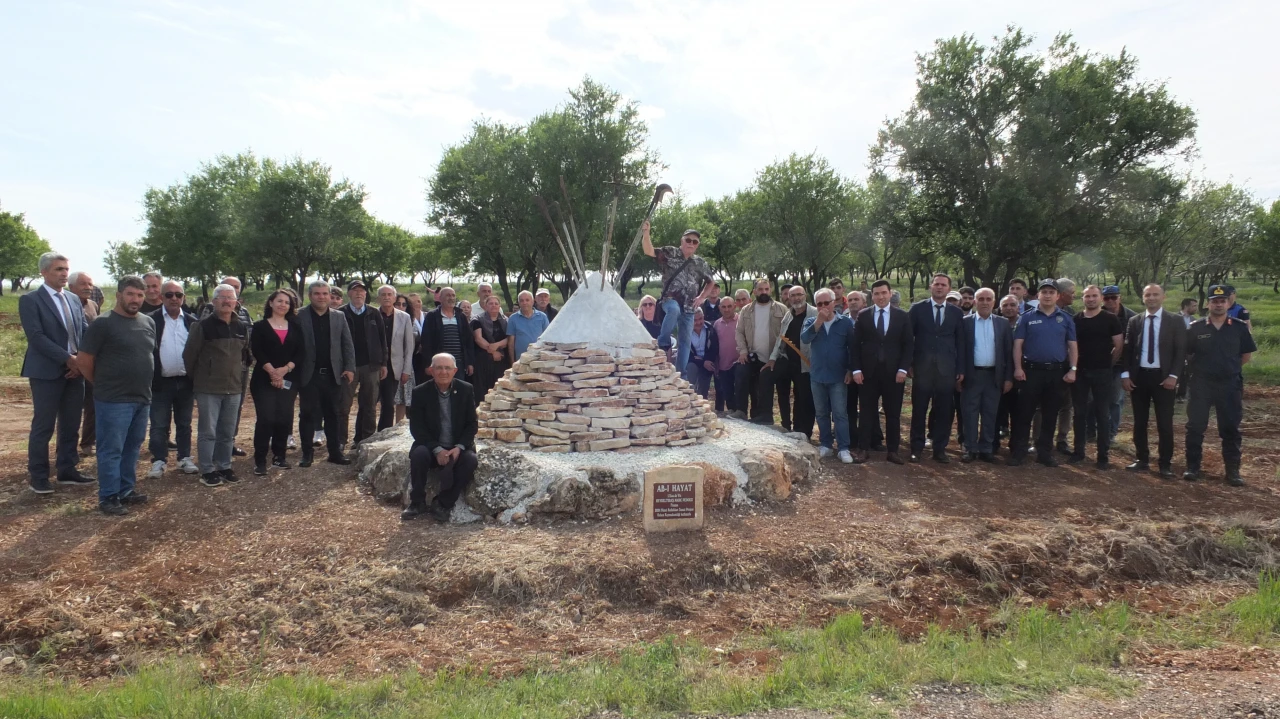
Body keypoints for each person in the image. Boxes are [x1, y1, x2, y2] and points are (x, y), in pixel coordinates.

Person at [78, 275, 155, 515]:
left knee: (133, 447)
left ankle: (125, 490)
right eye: (131, 294)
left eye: (140, 295)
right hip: (113, 400)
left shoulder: (148, 322)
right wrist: (100, 384)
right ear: (119, 295)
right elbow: (84, 360)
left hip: (142, 398)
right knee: (111, 449)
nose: (136, 299)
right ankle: (108, 496)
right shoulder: (103, 324)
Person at [19, 252, 92, 494]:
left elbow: (83, 330)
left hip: (75, 372)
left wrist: (79, 361)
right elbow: (37, 337)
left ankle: (67, 470)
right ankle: (39, 476)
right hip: (46, 372)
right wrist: (67, 359)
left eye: (65, 269)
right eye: (58, 269)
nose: (63, 273)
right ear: (44, 272)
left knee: (71, 423)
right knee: (44, 425)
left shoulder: (72, 299)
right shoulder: (31, 300)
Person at [1183, 285, 1255, 486]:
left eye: (1222, 301)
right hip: (1201, 385)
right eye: (1214, 301)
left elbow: (1246, 355)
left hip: (1229, 384)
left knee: (1230, 428)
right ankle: (1192, 468)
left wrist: (1227, 368)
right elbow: (1187, 354)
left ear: (1228, 303)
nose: (1218, 304)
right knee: (1195, 427)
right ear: (1208, 303)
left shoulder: (1239, 327)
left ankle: (1232, 472)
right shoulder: (1196, 327)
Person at [184, 283, 251, 487]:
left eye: (230, 298)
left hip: (233, 388)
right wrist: (201, 379)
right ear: (213, 302)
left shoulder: (241, 327)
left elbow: (246, 356)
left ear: (236, 302)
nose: (226, 301)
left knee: (227, 431)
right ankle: (207, 470)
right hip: (208, 388)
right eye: (221, 298)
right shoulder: (202, 326)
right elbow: (189, 356)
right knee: (208, 431)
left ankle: (224, 465)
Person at [401, 353, 478, 522]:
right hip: (431, 446)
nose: (443, 372)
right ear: (431, 370)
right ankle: (417, 502)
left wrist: (459, 447)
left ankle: (444, 503)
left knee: (471, 460)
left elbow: (472, 424)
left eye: (447, 368)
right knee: (419, 454)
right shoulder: (420, 392)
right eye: (439, 368)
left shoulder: (466, 389)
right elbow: (417, 427)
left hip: (457, 447)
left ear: (455, 371)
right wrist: (437, 449)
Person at [1008, 279, 1077, 467]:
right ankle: (1019, 452)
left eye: (1051, 292)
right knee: (1024, 413)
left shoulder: (1065, 318)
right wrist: (1018, 368)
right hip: (1031, 372)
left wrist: (1073, 369)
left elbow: (1072, 346)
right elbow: (1018, 345)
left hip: (1056, 373)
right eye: (1044, 292)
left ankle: (1044, 452)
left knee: (1050, 414)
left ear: (1057, 296)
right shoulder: (1027, 317)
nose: (1047, 295)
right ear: (1038, 295)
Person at [1121, 283, 1185, 479]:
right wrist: (1125, 375)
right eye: (1148, 295)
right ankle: (1142, 459)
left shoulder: (1175, 320)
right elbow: (1128, 350)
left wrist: (1173, 376)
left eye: (1155, 294)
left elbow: (1180, 351)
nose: (1151, 298)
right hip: (1139, 377)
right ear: (1143, 298)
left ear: (1163, 297)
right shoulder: (1135, 321)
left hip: (1163, 378)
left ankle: (1165, 464)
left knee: (1164, 423)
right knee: (1139, 422)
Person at [849, 279, 913, 464]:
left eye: (884, 293)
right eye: (876, 294)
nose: (880, 296)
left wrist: (903, 368)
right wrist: (856, 370)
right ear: (872, 296)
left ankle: (893, 451)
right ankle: (863, 449)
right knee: (867, 412)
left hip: (894, 374)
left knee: (893, 413)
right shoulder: (864, 315)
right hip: (868, 374)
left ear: (890, 293)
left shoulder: (902, 316)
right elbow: (855, 346)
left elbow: (908, 344)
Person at [641, 222, 716, 378]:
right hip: (669, 299)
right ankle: (663, 341)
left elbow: (711, 282)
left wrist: (702, 297)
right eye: (688, 240)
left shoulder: (700, 263)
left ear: (697, 245)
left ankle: (681, 374)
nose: (691, 243)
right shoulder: (670, 253)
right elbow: (649, 251)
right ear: (682, 241)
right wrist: (646, 233)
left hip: (689, 307)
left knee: (685, 341)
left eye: (694, 242)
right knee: (674, 310)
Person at [908, 273, 967, 463]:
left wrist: (960, 368)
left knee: (943, 411)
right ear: (930, 286)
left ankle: (939, 449)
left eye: (943, 285)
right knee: (919, 410)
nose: (940, 287)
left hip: (946, 370)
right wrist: (909, 364)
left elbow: (960, 343)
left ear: (949, 288)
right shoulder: (917, 309)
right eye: (936, 284)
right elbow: (908, 339)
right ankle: (916, 448)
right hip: (922, 369)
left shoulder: (956, 313)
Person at [297, 281, 356, 468]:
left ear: (330, 296)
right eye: (317, 294)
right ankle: (307, 453)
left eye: (325, 293)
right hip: (308, 374)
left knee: (333, 414)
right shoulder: (299, 316)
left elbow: (347, 344)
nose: (321, 297)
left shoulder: (339, 316)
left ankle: (334, 453)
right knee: (307, 414)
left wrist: (350, 367)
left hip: (333, 374)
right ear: (309, 295)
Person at [146, 280, 199, 479]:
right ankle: (159, 460)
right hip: (160, 382)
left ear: (183, 298)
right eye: (169, 295)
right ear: (161, 297)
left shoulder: (192, 322)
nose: (174, 298)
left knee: (184, 423)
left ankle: (184, 457)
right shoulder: (151, 320)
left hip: (186, 382)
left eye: (178, 295)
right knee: (159, 424)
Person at [248, 290, 305, 474]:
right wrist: (273, 372)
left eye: (287, 302)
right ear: (271, 303)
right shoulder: (259, 326)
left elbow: (300, 352)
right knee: (266, 419)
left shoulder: (296, 327)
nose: (283, 305)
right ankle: (260, 460)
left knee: (283, 418)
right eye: (279, 301)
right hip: (263, 379)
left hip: (289, 378)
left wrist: (285, 369)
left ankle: (280, 457)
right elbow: (257, 350)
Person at [1069, 285, 1124, 469]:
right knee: (1079, 413)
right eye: (1087, 296)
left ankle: (1103, 456)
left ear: (1101, 298)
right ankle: (1078, 452)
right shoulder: (1076, 319)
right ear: (1082, 298)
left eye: (1094, 296)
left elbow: (1118, 345)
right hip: (1080, 372)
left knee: (1103, 413)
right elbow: (1070, 345)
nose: (1091, 299)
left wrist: (1108, 364)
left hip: (1102, 373)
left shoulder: (1110, 319)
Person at [199, 275, 254, 457]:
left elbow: (248, 335)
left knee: (234, 409)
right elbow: (197, 346)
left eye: (236, 288)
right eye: (228, 288)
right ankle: (213, 450)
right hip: (215, 375)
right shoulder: (209, 310)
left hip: (239, 369)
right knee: (213, 416)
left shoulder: (244, 312)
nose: (232, 292)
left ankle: (229, 443)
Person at [959, 288, 1013, 463]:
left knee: (991, 414)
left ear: (994, 302)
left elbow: (1008, 352)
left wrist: (1008, 377)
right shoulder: (965, 323)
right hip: (972, 374)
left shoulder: (1002, 323)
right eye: (980, 299)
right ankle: (970, 448)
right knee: (970, 413)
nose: (984, 302)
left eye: (988, 299)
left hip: (994, 376)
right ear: (974, 302)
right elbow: (959, 351)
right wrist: (959, 374)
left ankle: (986, 448)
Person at [800, 289, 853, 462]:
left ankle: (843, 448)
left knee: (839, 413)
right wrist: (818, 322)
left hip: (838, 376)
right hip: (817, 375)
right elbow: (805, 339)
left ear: (834, 303)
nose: (823, 307)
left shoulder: (845, 323)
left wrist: (851, 369)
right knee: (821, 412)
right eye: (819, 304)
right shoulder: (811, 321)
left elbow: (853, 348)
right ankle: (826, 444)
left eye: (826, 303)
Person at [340, 280, 387, 448]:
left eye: (362, 291)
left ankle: (365, 440)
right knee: (343, 406)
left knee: (369, 405)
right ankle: (340, 441)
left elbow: (383, 340)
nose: (359, 293)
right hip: (348, 367)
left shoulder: (374, 313)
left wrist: (384, 363)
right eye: (355, 290)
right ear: (349, 294)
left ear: (366, 294)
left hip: (371, 366)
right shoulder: (340, 313)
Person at [732, 278, 787, 422]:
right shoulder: (746, 310)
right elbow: (739, 332)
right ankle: (741, 411)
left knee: (764, 381)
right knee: (741, 371)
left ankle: (765, 416)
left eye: (766, 289)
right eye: (761, 289)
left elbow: (786, 335)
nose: (764, 292)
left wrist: (774, 357)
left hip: (773, 357)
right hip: (753, 355)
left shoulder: (781, 309)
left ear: (771, 290)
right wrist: (743, 351)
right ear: (755, 291)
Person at [765, 285, 815, 436]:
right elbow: (781, 338)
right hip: (789, 361)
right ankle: (790, 427)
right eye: (793, 296)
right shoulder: (789, 315)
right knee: (790, 393)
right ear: (788, 298)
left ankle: (804, 431)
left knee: (805, 397)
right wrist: (773, 358)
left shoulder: (814, 313)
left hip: (807, 363)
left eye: (799, 294)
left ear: (805, 295)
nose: (796, 298)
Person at [375, 285, 416, 429]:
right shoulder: (372, 314)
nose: (386, 297)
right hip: (373, 365)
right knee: (368, 403)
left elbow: (409, 346)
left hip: (394, 367)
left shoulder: (403, 317)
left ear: (394, 297)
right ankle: (362, 436)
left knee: (388, 403)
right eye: (383, 294)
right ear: (378, 298)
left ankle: (383, 433)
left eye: (389, 294)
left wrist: (406, 370)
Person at [1100, 285, 1137, 445]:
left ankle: (1111, 433)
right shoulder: (1095, 314)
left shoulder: (1132, 318)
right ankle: (1093, 430)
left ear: (1119, 298)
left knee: (1115, 400)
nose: (1110, 301)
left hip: (1121, 366)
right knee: (1094, 399)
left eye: (1113, 297)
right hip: (1098, 365)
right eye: (1107, 298)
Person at [68, 271, 99, 457]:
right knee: (70, 412)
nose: (88, 287)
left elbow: (95, 336)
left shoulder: (93, 305)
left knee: (93, 405)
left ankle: (88, 443)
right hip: (69, 365)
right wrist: (74, 362)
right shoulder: (66, 305)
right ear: (71, 287)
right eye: (83, 284)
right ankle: (66, 452)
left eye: (90, 284)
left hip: (89, 364)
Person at [423, 287, 475, 380]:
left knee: (458, 390)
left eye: (453, 295)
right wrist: (428, 363)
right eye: (448, 295)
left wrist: (469, 362)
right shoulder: (432, 316)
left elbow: (468, 341)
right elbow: (426, 341)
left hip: (458, 363)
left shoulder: (461, 316)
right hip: (439, 363)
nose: (451, 298)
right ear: (440, 298)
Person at [993, 294, 1023, 453]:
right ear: (1000, 308)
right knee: (997, 411)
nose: (1009, 308)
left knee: (1018, 413)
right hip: (999, 374)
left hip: (1021, 375)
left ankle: (1016, 447)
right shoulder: (995, 323)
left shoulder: (1025, 323)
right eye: (1005, 305)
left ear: (1018, 307)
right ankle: (993, 445)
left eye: (1012, 305)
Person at [472, 295, 511, 403]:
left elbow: (509, 338)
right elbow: (478, 339)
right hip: (483, 361)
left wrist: (497, 345)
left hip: (502, 360)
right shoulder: (477, 319)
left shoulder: (506, 320)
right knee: (483, 390)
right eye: (490, 303)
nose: (493, 306)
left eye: (496, 303)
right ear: (485, 306)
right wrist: (493, 351)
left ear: (499, 306)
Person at [506, 290, 550, 363]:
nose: (524, 303)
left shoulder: (542, 317)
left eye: (527, 300)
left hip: (539, 358)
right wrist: (512, 362)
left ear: (532, 301)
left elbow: (548, 337)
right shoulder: (513, 318)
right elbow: (511, 343)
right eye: (522, 300)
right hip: (521, 360)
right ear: (519, 303)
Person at [711, 297, 738, 413]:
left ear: (734, 306)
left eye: (729, 306)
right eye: (724, 307)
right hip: (723, 365)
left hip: (738, 363)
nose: (727, 309)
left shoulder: (741, 321)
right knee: (727, 393)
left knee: (741, 393)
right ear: (719, 308)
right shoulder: (716, 324)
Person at [685, 307, 717, 399]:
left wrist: (706, 361)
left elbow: (714, 347)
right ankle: (689, 398)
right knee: (691, 370)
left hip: (708, 360)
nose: (698, 323)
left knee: (703, 389)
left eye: (700, 319)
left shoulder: (710, 329)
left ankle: (702, 404)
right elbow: (686, 353)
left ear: (703, 317)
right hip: (694, 362)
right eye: (695, 320)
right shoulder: (685, 331)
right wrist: (702, 362)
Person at [1176, 297, 1199, 401]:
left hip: (1188, 351)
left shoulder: (1194, 321)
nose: (1196, 308)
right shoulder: (1174, 318)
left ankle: (1181, 394)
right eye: (1194, 306)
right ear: (1186, 306)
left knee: (1186, 372)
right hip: (1175, 349)